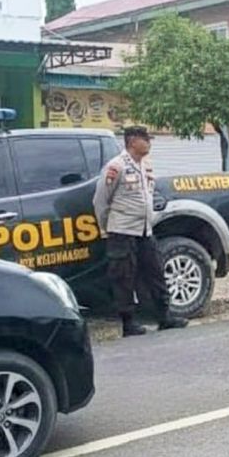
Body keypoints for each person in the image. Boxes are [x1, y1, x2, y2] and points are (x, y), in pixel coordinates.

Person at [92, 126, 189, 337]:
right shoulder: (116, 166)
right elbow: (100, 201)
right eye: (146, 139)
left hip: (145, 230)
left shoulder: (145, 165)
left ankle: (164, 316)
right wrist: (106, 228)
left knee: (155, 271)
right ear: (133, 141)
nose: (149, 143)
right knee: (123, 278)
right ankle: (128, 324)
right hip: (122, 231)